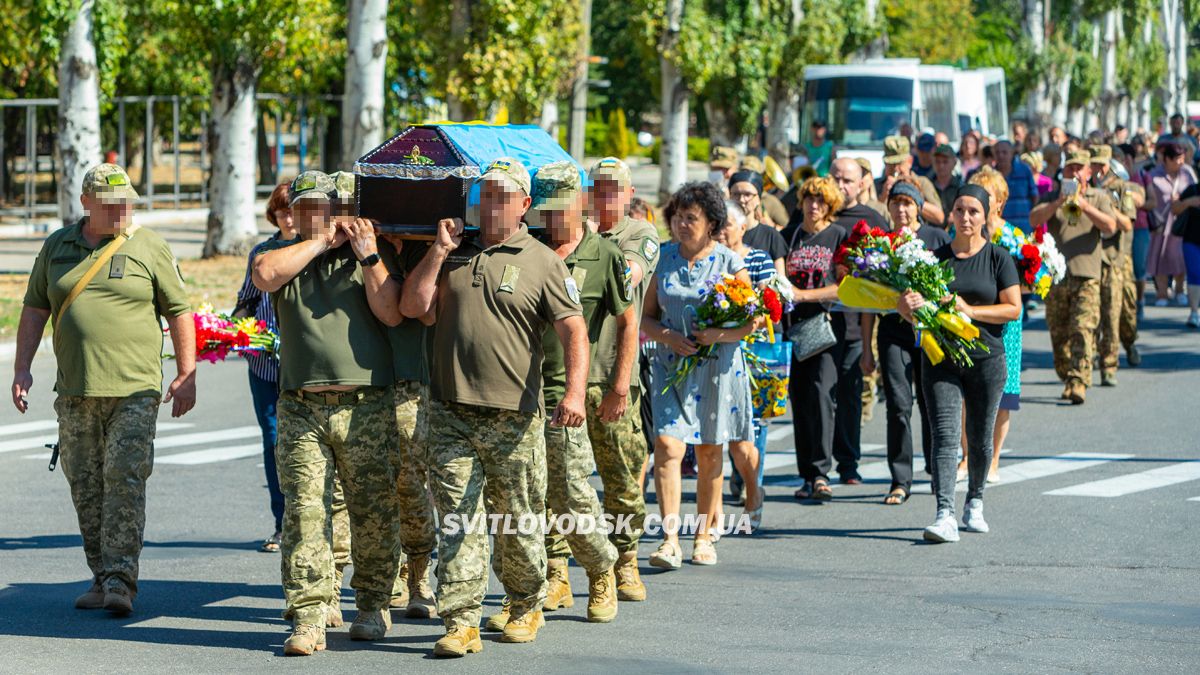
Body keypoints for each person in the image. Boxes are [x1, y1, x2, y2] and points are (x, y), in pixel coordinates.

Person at [400, 158, 589, 656]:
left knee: (518, 518)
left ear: (525, 204)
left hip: (514, 416)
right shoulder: (455, 254)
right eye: (484, 195)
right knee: (457, 520)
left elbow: (574, 330)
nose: (492, 204)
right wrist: (439, 250)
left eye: (503, 196)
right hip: (449, 410)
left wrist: (573, 393)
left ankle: (525, 604)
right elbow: (415, 308)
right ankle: (461, 619)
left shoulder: (543, 260)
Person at [13, 163, 196, 615]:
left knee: (124, 479)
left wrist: (186, 372)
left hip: (134, 389)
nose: (121, 211)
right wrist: (22, 369)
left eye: (126, 203)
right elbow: (35, 309)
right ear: (86, 203)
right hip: (75, 389)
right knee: (85, 484)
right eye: (111, 204)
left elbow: (179, 311)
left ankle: (120, 580)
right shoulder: (57, 246)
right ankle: (100, 572)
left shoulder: (148, 246)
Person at [252, 171, 401, 655]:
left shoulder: (367, 254)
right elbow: (264, 276)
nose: (315, 214)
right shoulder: (281, 255)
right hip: (302, 405)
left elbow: (392, 313)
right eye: (306, 207)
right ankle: (310, 616)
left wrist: (368, 254)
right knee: (304, 513)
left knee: (372, 511)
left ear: (341, 208)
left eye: (325, 207)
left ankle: (374, 604)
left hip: (366, 403)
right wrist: (317, 242)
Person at [493, 162, 623, 626]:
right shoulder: (523, 250)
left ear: (580, 202)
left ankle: (601, 568)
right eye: (543, 211)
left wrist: (610, 385)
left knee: (571, 493)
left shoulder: (603, 253)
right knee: (521, 500)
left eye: (559, 210)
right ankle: (539, 582)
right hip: (516, 395)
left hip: (561, 394)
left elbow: (618, 323)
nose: (551, 220)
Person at [328, 169, 439, 621]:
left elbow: (411, 313)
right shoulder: (331, 254)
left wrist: (383, 253)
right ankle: (337, 585)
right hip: (358, 385)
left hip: (410, 380)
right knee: (345, 493)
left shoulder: (418, 248)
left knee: (411, 488)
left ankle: (416, 576)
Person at [897, 186, 1021, 543]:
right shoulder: (934, 259)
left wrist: (971, 310)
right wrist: (908, 304)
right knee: (946, 436)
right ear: (950, 215)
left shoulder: (998, 258)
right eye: (959, 211)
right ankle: (944, 514)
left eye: (973, 211)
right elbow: (906, 312)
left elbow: (1012, 308)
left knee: (980, 441)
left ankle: (975, 502)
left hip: (986, 360)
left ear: (985, 216)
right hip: (941, 359)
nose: (965, 218)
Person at [642, 182, 756, 569]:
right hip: (671, 367)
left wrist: (717, 335)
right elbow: (646, 316)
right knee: (667, 446)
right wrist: (668, 336)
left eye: (691, 218)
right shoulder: (663, 257)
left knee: (709, 452)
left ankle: (705, 536)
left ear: (711, 223)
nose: (681, 224)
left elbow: (751, 323)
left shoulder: (729, 262)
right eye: (677, 217)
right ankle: (670, 539)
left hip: (717, 369)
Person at [586, 157, 658, 603]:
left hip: (615, 376)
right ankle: (558, 569)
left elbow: (625, 277)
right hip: (567, 376)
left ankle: (625, 560)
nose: (605, 195)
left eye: (614, 188)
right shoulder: (573, 235)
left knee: (621, 478)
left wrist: (587, 239)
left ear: (629, 194)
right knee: (561, 482)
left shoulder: (639, 234)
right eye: (598, 187)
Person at [862, 182, 948, 504]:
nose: (901, 210)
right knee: (899, 404)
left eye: (908, 204)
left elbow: (949, 288)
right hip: (893, 331)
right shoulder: (881, 243)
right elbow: (869, 296)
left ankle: (938, 471)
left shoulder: (936, 239)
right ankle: (900, 480)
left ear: (919, 208)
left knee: (932, 404)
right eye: (896, 203)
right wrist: (868, 350)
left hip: (929, 331)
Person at [233, 183, 294, 553]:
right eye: (282, 211)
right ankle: (282, 522)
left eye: (293, 210)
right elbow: (246, 302)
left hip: (305, 369)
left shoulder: (315, 250)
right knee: (273, 442)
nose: (288, 218)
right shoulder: (262, 252)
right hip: (265, 367)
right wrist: (232, 330)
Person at [1029, 151, 1119, 404]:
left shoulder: (1099, 197)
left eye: (1080, 168)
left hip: (1087, 275)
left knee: (1082, 328)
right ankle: (1068, 374)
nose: (1075, 173)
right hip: (1057, 277)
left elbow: (1111, 227)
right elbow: (1033, 219)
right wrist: (1058, 202)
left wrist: (1086, 206)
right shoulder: (1053, 196)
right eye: (1071, 169)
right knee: (1059, 334)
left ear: (1089, 173)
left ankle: (1079, 381)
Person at [784, 176, 848, 501]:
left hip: (826, 326)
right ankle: (806, 475)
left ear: (830, 205)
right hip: (793, 328)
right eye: (809, 199)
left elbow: (843, 287)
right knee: (800, 400)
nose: (813, 205)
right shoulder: (790, 235)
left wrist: (804, 295)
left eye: (820, 201)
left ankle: (822, 473)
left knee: (822, 395)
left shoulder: (838, 236)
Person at [717, 199, 772, 525]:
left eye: (728, 224)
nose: (722, 231)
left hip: (749, 352)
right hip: (711, 351)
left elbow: (766, 304)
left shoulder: (758, 259)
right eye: (718, 224)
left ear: (742, 227)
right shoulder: (711, 258)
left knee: (748, 431)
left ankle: (754, 487)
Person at [966, 167, 1022, 482]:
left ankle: (993, 460)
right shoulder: (959, 235)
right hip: (966, 322)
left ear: (999, 202)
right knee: (964, 392)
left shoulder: (1013, 238)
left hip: (1005, 327)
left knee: (1002, 394)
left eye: (988, 198)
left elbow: (1034, 282)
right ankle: (965, 458)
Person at [1088, 147, 1141, 384]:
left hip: (1113, 259)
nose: (1097, 169)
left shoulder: (1121, 188)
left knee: (1115, 314)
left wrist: (1106, 205)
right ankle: (1091, 360)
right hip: (1088, 257)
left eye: (1101, 164)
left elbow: (1127, 224)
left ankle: (1117, 356)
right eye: (1094, 164)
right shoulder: (1083, 186)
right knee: (1091, 314)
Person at [1146, 142, 1195, 307]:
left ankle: (1180, 289)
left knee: (1179, 258)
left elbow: (1195, 191)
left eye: (1181, 159)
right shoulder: (1154, 174)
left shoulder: (1187, 173)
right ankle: (1161, 293)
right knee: (1160, 258)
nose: (1179, 162)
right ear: (1166, 159)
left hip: (1181, 224)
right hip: (1160, 224)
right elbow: (1149, 196)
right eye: (1176, 159)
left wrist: (1182, 199)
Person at [729, 169, 788, 279]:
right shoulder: (720, 233)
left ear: (758, 199)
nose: (741, 200)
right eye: (736, 194)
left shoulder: (771, 235)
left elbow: (780, 281)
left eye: (747, 194)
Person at [877, 135, 944, 226]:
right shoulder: (877, 185)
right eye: (891, 164)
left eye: (899, 163)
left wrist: (911, 197)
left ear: (910, 161)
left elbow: (939, 217)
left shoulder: (922, 182)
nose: (896, 169)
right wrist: (883, 197)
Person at [993, 140, 1038, 230]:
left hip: (1024, 228)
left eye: (1004, 152)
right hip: (1000, 229)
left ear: (1012, 153)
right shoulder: (991, 175)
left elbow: (1034, 197)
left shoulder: (1024, 170)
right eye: (997, 152)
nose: (1000, 155)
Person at [932, 144, 964, 221]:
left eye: (945, 162)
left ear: (955, 163)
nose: (941, 166)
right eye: (937, 161)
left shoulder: (961, 187)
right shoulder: (928, 185)